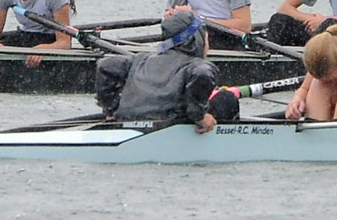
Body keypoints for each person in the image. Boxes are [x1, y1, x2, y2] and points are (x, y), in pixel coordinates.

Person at [94, 7, 236, 132]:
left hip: (127, 118)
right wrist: (199, 116)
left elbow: (105, 66)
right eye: (206, 38)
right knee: (227, 99)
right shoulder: (196, 66)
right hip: (167, 125)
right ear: (196, 39)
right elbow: (202, 74)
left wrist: (111, 109)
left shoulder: (140, 60)